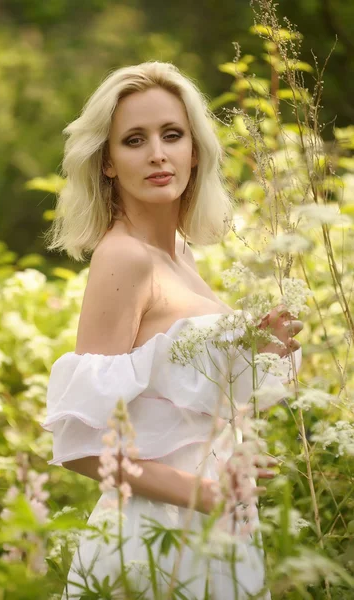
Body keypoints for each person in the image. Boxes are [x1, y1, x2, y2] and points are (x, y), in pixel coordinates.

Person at [42, 61, 303, 599]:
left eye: (172, 134)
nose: (158, 154)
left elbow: (180, 415)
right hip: (152, 541)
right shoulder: (123, 258)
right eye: (134, 140)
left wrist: (263, 354)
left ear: (194, 149)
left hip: (217, 533)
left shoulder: (180, 256)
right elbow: (84, 444)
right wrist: (205, 495)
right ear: (109, 162)